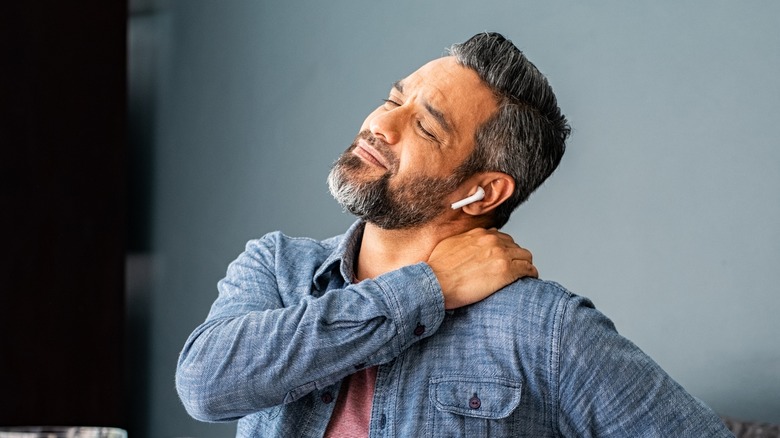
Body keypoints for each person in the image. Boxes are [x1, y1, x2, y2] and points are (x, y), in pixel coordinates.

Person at [176, 32, 733, 437]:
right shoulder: (278, 268)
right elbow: (205, 385)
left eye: (424, 125)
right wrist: (427, 288)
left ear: (482, 192)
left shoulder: (544, 330)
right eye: (395, 99)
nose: (380, 123)